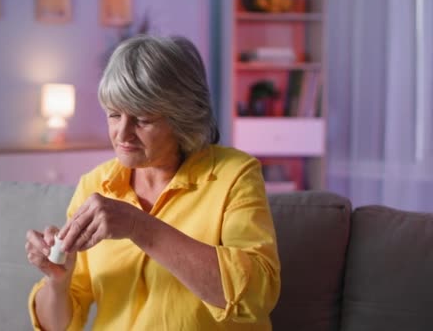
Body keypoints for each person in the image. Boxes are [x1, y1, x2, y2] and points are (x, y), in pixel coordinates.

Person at [25, 35, 281, 330]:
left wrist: (139, 226)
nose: (122, 134)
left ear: (183, 118)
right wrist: (57, 281)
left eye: (143, 120)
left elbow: (256, 296)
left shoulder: (234, 174)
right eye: (113, 114)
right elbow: (56, 326)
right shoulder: (94, 184)